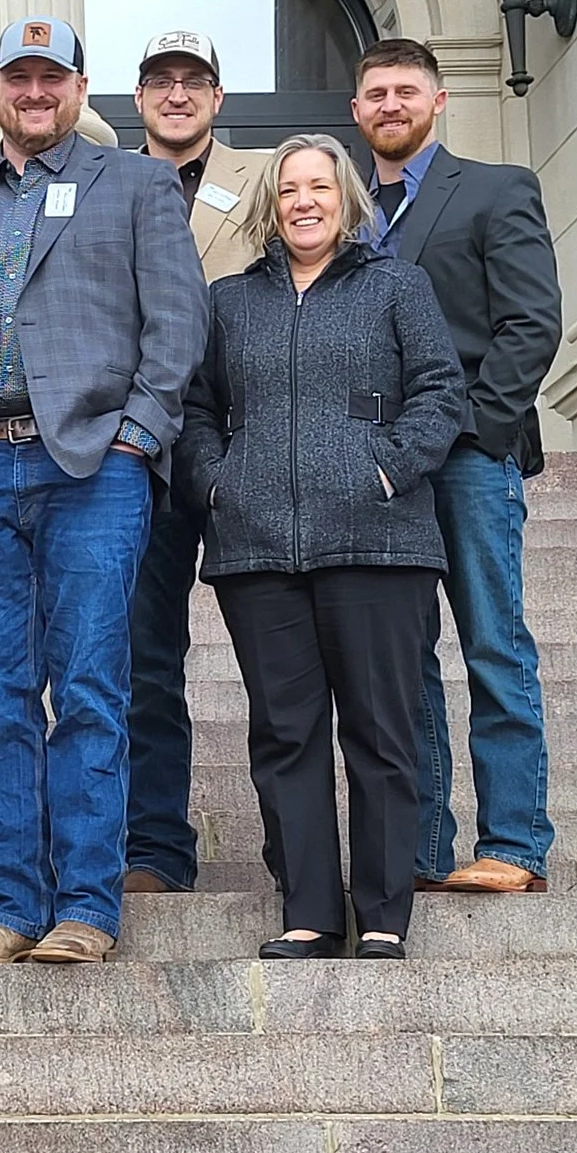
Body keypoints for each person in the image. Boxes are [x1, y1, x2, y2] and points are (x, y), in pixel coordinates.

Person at [0, 17, 208, 966]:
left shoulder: (141, 185)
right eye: (18, 78)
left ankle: (87, 906)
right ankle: (9, 905)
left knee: (95, 690)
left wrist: (139, 437)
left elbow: (177, 323)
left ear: (79, 85)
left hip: (92, 469)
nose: (35, 93)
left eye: (51, 77)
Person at [179, 134, 465, 959]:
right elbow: (197, 409)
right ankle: (307, 910)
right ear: (273, 203)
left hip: (378, 544)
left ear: (346, 200)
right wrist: (216, 482)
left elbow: (442, 392)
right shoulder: (230, 300)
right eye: (291, 188)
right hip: (258, 548)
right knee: (285, 736)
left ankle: (382, 914)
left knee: (381, 732)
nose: (306, 201)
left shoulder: (397, 286)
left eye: (321, 187)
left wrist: (386, 470)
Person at [352, 37, 564, 895]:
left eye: (407, 91)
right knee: (405, 663)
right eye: (376, 94)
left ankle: (514, 843)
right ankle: (424, 849)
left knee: (492, 643)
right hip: (382, 467)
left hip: (472, 458)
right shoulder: (347, 209)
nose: (390, 105)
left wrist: (473, 430)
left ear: (439, 102)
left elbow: (531, 323)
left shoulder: (495, 188)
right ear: (356, 111)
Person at [124, 29, 272, 897]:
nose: (176, 95)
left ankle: (305, 855)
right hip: (139, 450)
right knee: (143, 657)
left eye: (194, 81)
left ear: (217, 97)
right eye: (159, 81)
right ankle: (153, 849)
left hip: (244, 444)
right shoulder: (105, 181)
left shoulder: (265, 177)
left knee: (282, 664)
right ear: (137, 97)